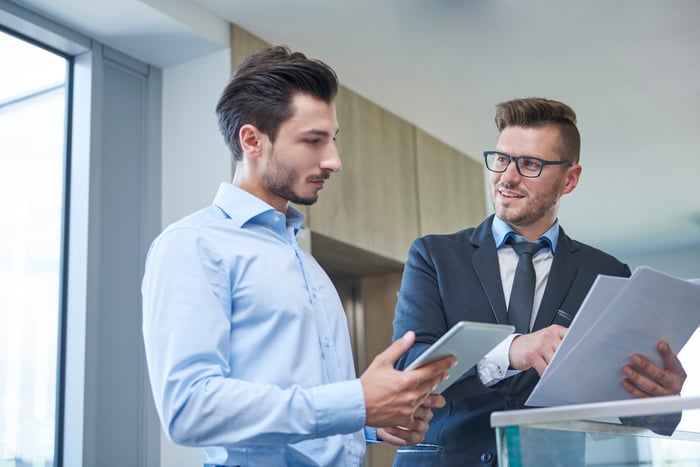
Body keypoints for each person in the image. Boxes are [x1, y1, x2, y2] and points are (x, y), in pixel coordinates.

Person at [141, 45, 456, 467]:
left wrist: (370, 420)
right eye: (313, 140)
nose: (334, 161)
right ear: (252, 140)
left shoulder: (306, 264)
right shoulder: (193, 244)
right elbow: (189, 408)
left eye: (333, 140)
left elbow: (310, 405)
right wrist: (355, 402)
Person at [391, 97, 687, 466]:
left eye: (530, 164)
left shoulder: (608, 273)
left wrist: (660, 397)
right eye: (501, 159)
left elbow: (635, 410)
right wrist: (511, 351)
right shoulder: (433, 256)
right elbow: (409, 369)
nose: (507, 177)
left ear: (570, 179)